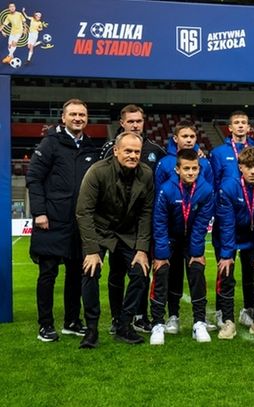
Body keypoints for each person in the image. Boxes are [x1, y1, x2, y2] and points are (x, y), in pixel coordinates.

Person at [26, 98, 98, 342]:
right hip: (51, 221)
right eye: (73, 114)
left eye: (82, 115)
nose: (78, 118)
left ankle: (71, 320)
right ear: (63, 118)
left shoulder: (90, 146)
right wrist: (40, 212)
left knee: (76, 274)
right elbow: (33, 178)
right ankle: (45, 325)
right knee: (47, 274)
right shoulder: (50, 143)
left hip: (79, 224)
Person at [76, 131, 154, 349]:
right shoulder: (97, 172)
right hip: (100, 231)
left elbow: (146, 214)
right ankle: (91, 329)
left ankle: (124, 324)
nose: (132, 155)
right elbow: (84, 212)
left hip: (128, 233)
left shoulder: (146, 174)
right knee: (90, 271)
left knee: (140, 272)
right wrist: (91, 250)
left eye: (136, 151)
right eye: (127, 151)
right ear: (116, 151)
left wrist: (141, 249)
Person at [100, 104, 165, 335]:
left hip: (144, 221)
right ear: (122, 123)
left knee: (142, 268)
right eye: (131, 121)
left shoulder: (156, 150)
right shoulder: (110, 149)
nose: (135, 125)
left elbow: (166, 177)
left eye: (139, 121)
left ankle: (140, 315)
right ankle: (118, 318)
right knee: (116, 272)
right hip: (116, 223)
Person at [153, 121, 213, 335]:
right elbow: (159, 213)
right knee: (172, 273)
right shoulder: (165, 166)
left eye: (192, 136)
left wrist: (197, 250)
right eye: (184, 136)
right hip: (170, 233)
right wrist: (161, 250)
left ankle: (200, 320)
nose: (191, 171)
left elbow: (204, 212)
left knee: (197, 270)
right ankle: (172, 316)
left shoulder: (205, 170)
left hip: (193, 234)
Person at [215, 147, 254, 339]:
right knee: (226, 276)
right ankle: (228, 321)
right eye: (248, 167)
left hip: (253, 236)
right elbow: (226, 224)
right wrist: (226, 255)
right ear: (240, 167)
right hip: (228, 236)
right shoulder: (228, 187)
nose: (253, 171)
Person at [210, 111, 254, 328]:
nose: (240, 126)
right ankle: (222, 311)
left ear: (249, 127)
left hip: (250, 219)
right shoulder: (219, 153)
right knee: (225, 268)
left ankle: (248, 310)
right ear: (229, 128)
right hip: (226, 216)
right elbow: (214, 183)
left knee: (251, 270)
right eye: (236, 123)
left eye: (244, 123)